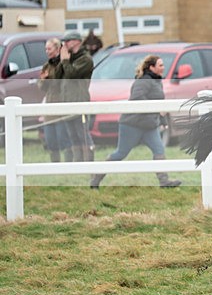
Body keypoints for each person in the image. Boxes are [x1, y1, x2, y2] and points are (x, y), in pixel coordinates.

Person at [90, 55, 181, 189]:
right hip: (132, 124)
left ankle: (164, 182)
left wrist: (161, 119)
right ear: (152, 67)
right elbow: (138, 99)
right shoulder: (143, 81)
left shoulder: (156, 81)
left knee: (159, 150)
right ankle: (95, 180)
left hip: (149, 125)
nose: (163, 67)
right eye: (160, 65)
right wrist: (154, 111)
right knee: (121, 153)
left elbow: (158, 104)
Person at [55, 31, 94, 162]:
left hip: (79, 101)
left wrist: (65, 61)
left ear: (77, 41)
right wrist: (62, 61)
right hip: (67, 102)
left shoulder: (85, 59)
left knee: (82, 134)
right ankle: (77, 163)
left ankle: (88, 162)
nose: (65, 44)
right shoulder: (68, 58)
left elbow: (72, 74)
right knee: (72, 136)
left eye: (68, 41)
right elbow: (57, 77)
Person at [38, 37, 72, 162]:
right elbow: (41, 87)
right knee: (51, 140)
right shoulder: (46, 66)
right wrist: (43, 80)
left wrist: (50, 78)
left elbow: (63, 82)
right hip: (49, 106)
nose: (47, 51)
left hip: (61, 105)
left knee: (64, 138)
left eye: (49, 48)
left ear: (57, 49)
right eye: (45, 49)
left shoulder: (63, 64)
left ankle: (68, 165)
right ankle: (54, 165)